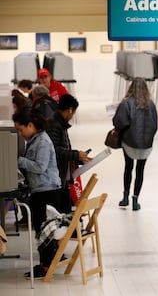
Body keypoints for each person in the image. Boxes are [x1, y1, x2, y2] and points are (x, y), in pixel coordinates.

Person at [13, 110, 62, 278]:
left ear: (31, 125)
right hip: (41, 189)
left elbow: (40, 167)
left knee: (44, 231)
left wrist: (17, 160)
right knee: (43, 230)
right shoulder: (34, 140)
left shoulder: (42, 141)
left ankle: (47, 266)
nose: (20, 133)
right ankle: (48, 261)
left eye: (20, 129)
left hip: (47, 191)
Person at [113, 77, 158, 211]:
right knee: (140, 170)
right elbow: (155, 125)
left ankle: (125, 197)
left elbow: (119, 122)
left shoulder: (126, 103)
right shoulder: (151, 104)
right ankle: (135, 199)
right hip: (146, 144)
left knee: (128, 167)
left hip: (129, 141)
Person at [46, 94, 91, 213]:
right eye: (73, 112)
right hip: (56, 178)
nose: (72, 116)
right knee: (61, 212)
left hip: (62, 177)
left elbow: (63, 149)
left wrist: (79, 159)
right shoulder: (54, 125)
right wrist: (76, 154)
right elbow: (54, 151)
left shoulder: (60, 124)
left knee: (66, 210)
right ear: (70, 110)